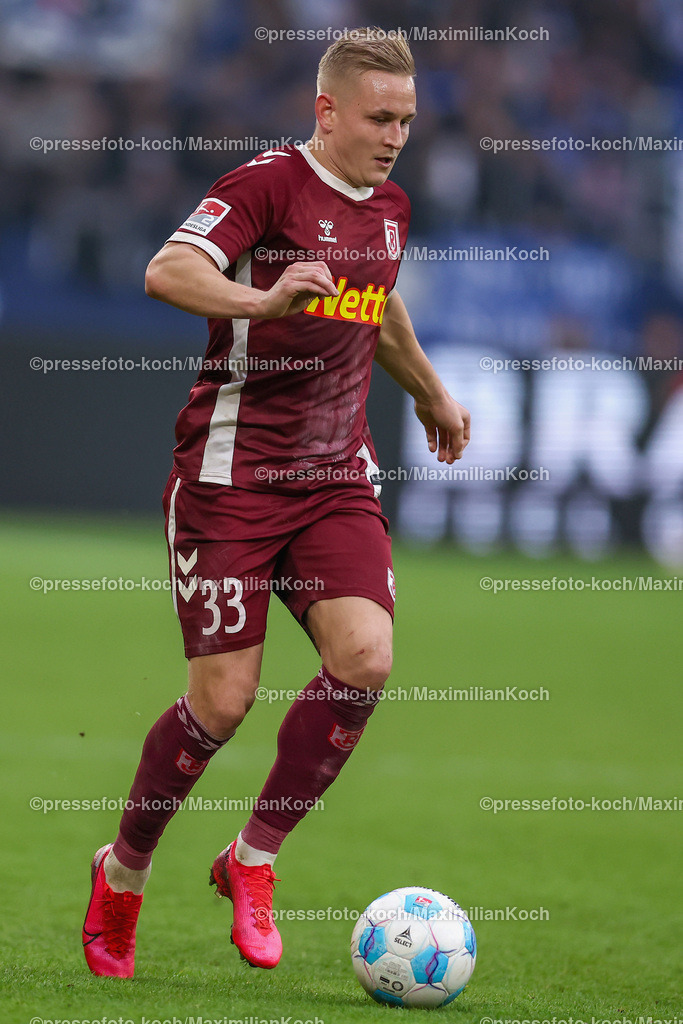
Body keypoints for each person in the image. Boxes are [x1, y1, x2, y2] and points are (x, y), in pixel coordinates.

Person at [82, 26, 470, 978]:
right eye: (378, 118)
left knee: (365, 659)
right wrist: (260, 302)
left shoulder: (389, 205)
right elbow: (165, 271)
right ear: (325, 110)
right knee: (224, 701)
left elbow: (373, 301)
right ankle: (123, 873)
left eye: (407, 121)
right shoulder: (263, 186)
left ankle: (251, 862)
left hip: (335, 474)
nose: (393, 137)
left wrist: (425, 386)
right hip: (231, 478)